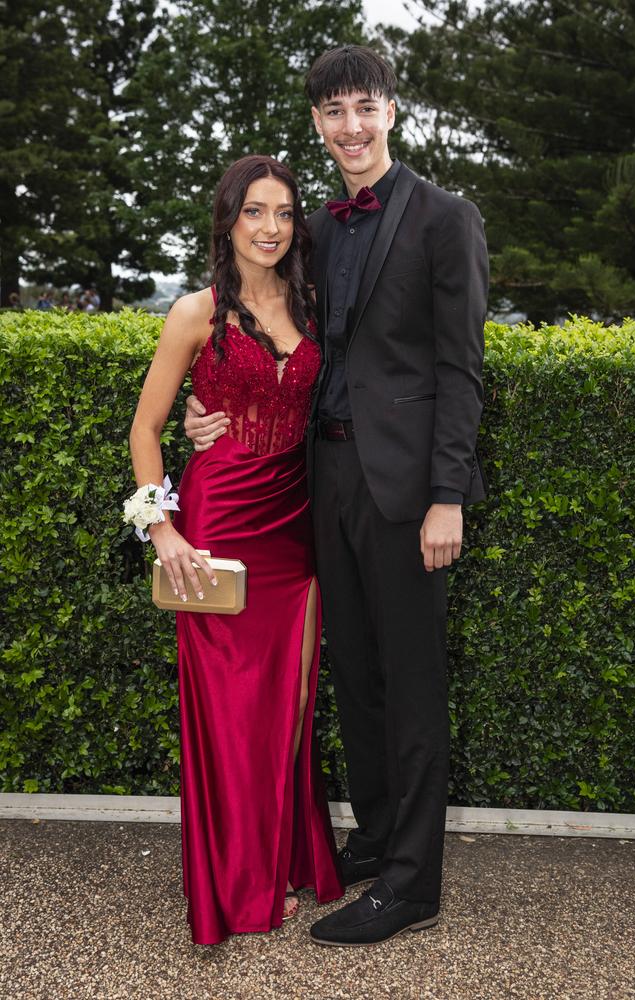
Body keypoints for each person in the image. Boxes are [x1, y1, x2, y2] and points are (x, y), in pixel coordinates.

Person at [184, 45, 489, 947]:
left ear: (391, 111)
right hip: (321, 478)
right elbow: (266, 341)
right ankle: (382, 836)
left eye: (364, 108)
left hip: (406, 493)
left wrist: (448, 494)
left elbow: (460, 370)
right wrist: (209, 414)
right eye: (332, 113)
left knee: (412, 680)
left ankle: (413, 884)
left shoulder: (445, 217)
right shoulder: (313, 228)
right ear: (317, 124)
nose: (349, 127)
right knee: (354, 673)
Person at [127, 154, 343, 947]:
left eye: (284, 214)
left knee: (288, 704)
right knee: (229, 714)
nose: (270, 228)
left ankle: (286, 861)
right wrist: (162, 528)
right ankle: (237, 884)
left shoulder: (315, 304)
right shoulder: (195, 312)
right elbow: (144, 429)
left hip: (297, 528)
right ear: (228, 219)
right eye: (255, 212)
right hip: (216, 524)